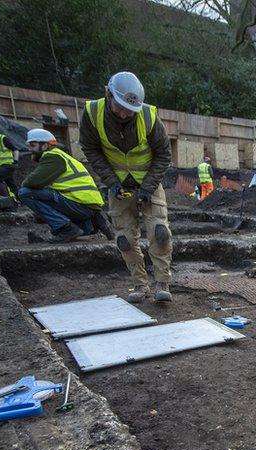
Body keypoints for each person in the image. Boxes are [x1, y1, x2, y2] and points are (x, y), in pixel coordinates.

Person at [79, 71, 173, 303]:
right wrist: (111, 181)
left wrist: (148, 188)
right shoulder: (93, 114)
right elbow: (91, 150)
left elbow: (164, 154)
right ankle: (140, 286)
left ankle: (162, 284)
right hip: (118, 186)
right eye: (120, 107)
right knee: (125, 240)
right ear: (108, 94)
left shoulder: (148, 117)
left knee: (159, 232)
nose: (124, 114)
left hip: (149, 184)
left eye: (130, 110)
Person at [17, 129, 113, 243]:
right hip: (89, 206)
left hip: (80, 205)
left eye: (33, 145)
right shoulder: (62, 156)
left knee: (25, 193)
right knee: (70, 232)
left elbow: (30, 183)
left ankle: (66, 228)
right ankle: (91, 224)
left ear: (45, 145)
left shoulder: (51, 157)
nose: (30, 150)